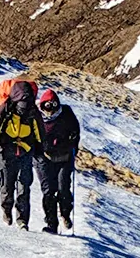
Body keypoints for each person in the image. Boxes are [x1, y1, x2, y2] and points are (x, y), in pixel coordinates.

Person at [0, 79, 42, 230]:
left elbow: (39, 132)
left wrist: (39, 151)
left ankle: (22, 220)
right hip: (6, 151)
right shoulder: (4, 110)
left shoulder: (32, 111)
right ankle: (7, 212)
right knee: (7, 185)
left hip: (25, 151)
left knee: (24, 187)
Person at [35, 88, 80, 235]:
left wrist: (72, 144)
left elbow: (75, 132)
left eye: (53, 105)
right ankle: (51, 224)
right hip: (44, 158)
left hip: (64, 158)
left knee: (63, 188)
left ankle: (65, 213)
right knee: (48, 191)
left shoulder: (66, 113)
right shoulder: (36, 116)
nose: (50, 110)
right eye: (47, 105)